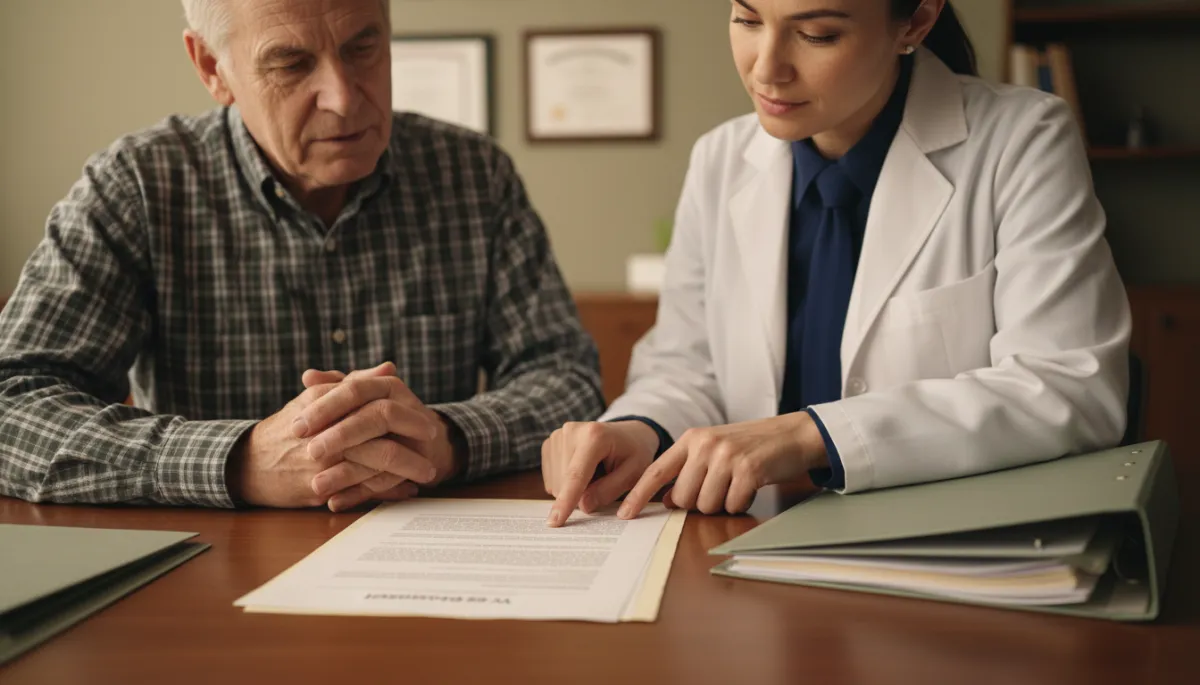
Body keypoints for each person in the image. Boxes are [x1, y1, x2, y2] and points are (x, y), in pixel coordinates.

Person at [542, 0, 1130, 527]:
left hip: (940, 537)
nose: (766, 68)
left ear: (917, 21)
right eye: (747, 19)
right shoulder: (720, 158)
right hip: (750, 533)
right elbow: (686, 363)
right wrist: (639, 428)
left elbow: (1068, 386)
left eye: (818, 34)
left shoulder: (1022, 140)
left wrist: (811, 434)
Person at [0, 0, 604, 511]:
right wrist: (236, 462)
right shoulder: (138, 186)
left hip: (430, 566)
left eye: (363, 48)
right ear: (213, 68)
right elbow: (13, 407)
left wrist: (448, 438)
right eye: (290, 63)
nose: (343, 98)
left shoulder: (473, 174)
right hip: (208, 584)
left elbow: (566, 378)